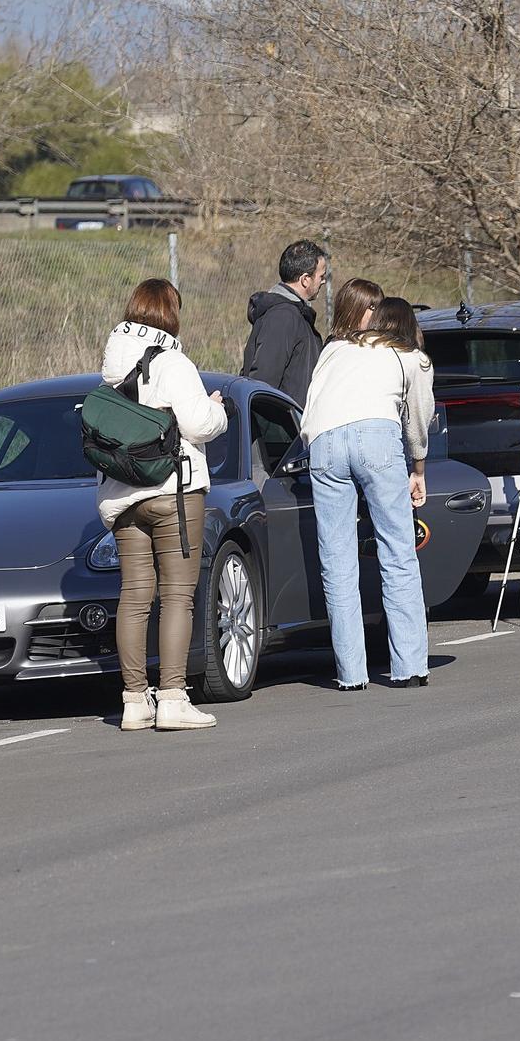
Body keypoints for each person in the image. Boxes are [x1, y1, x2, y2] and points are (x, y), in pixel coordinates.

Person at [98, 278, 229, 731]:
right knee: (177, 596)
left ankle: (134, 702)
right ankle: (173, 697)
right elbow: (196, 424)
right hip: (175, 492)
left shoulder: (112, 363)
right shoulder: (174, 361)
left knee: (134, 597)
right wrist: (218, 409)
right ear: (171, 313)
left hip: (123, 495)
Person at [300, 282, 436, 690]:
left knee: (337, 561)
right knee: (397, 552)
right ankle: (409, 665)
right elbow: (418, 419)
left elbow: (311, 402)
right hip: (376, 436)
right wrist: (419, 468)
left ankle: (351, 674)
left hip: (323, 442)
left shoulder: (335, 349)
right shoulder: (409, 356)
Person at [241, 239, 328, 406]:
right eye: (321, 276)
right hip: (281, 426)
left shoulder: (294, 314)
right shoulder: (283, 317)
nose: (323, 281)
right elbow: (264, 382)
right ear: (305, 280)